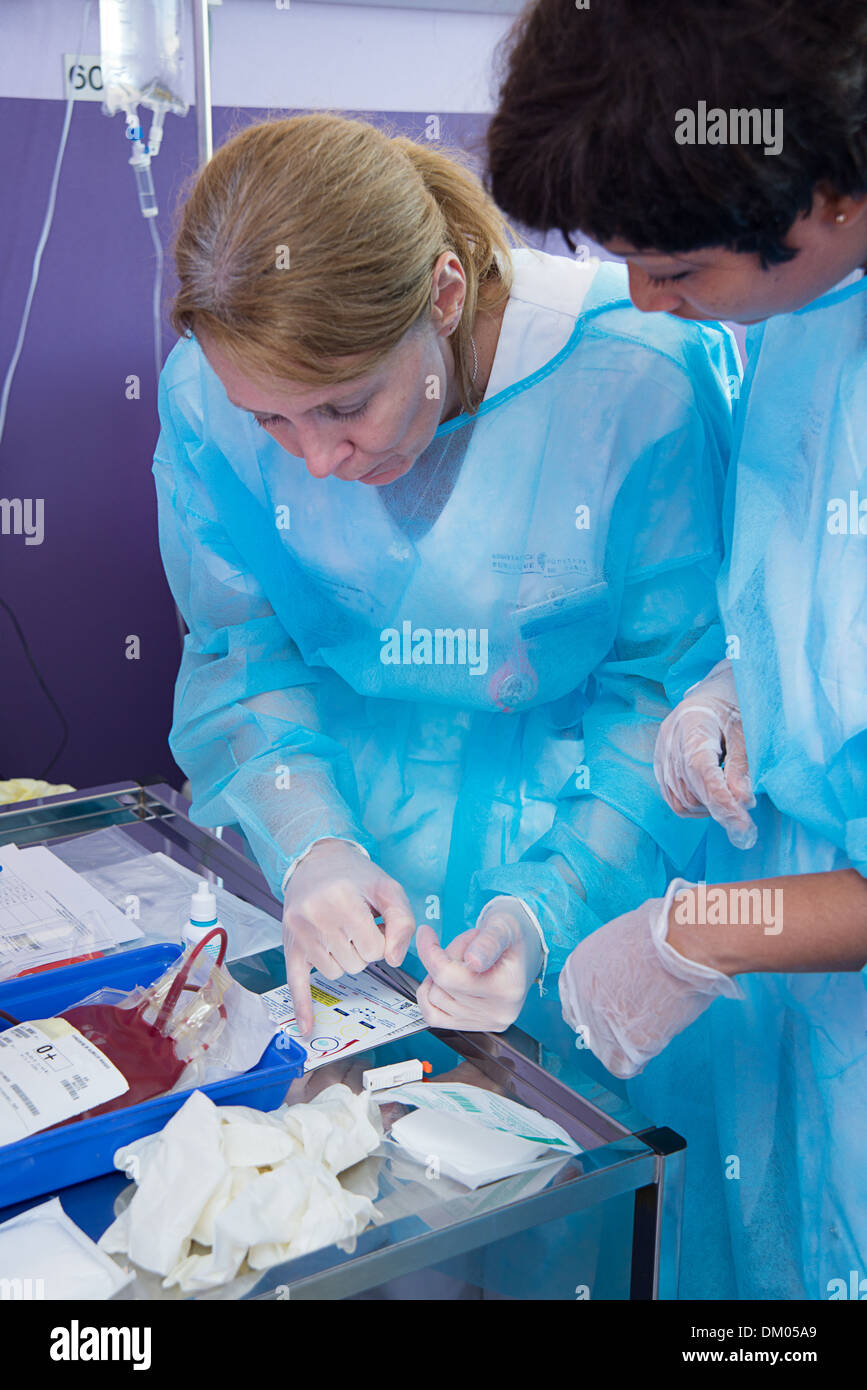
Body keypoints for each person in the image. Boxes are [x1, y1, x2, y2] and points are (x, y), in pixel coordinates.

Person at [154, 113, 737, 1057]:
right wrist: (310, 841)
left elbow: (667, 698)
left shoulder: (633, 379)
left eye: (347, 406)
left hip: (593, 858)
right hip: (341, 855)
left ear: (445, 295)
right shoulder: (210, 391)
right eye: (271, 423)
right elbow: (240, 652)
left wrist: (544, 911)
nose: (317, 461)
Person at [487, 0, 867, 1299]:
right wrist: (743, 683)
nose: (649, 304)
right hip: (806, 1024)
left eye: (675, 269)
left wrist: (704, 925)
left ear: (824, 188)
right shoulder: (801, 306)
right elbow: (806, 581)